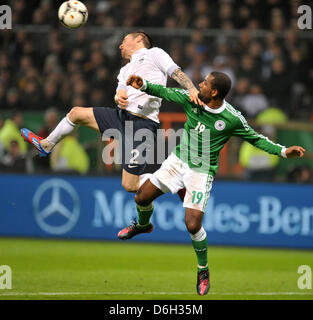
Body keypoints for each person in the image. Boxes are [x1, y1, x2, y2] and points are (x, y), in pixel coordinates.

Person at [117, 72, 306, 296]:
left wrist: (284, 152)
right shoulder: (193, 98)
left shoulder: (231, 118)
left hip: (201, 172)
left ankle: (203, 270)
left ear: (214, 92)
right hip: (177, 162)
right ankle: (143, 225)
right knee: (141, 197)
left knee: (193, 225)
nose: (199, 84)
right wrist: (144, 84)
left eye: (205, 83)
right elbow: (165, 92)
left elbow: (255, 138)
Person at [20, 30, 203, 195]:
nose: (120, 45)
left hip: (141, 124)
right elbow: (119, 93)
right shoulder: (124, 70)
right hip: (120, 117)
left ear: (139, 39)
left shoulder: (154, 53)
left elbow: (175, 72)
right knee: (75, 113)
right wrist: (118, 97)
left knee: (130, 186)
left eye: (124, 40)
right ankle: (46, 145)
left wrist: (192, 89)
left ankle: (174, 183)